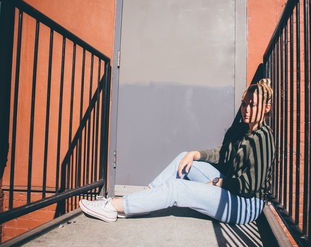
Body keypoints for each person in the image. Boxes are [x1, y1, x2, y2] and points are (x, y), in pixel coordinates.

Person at [79, 78, 275, 225]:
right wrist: (195, 154)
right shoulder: (241, 129)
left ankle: (113, 206)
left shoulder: (263, 139)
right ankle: (146, 197)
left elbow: (249, 186)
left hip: (244, 205)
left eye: (253, 105)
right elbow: (222, 153)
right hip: (230, 187)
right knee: (184, 158)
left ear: (266, 108)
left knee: (177, 189)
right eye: (244, 103)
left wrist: (218, 182)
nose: (246, 109)